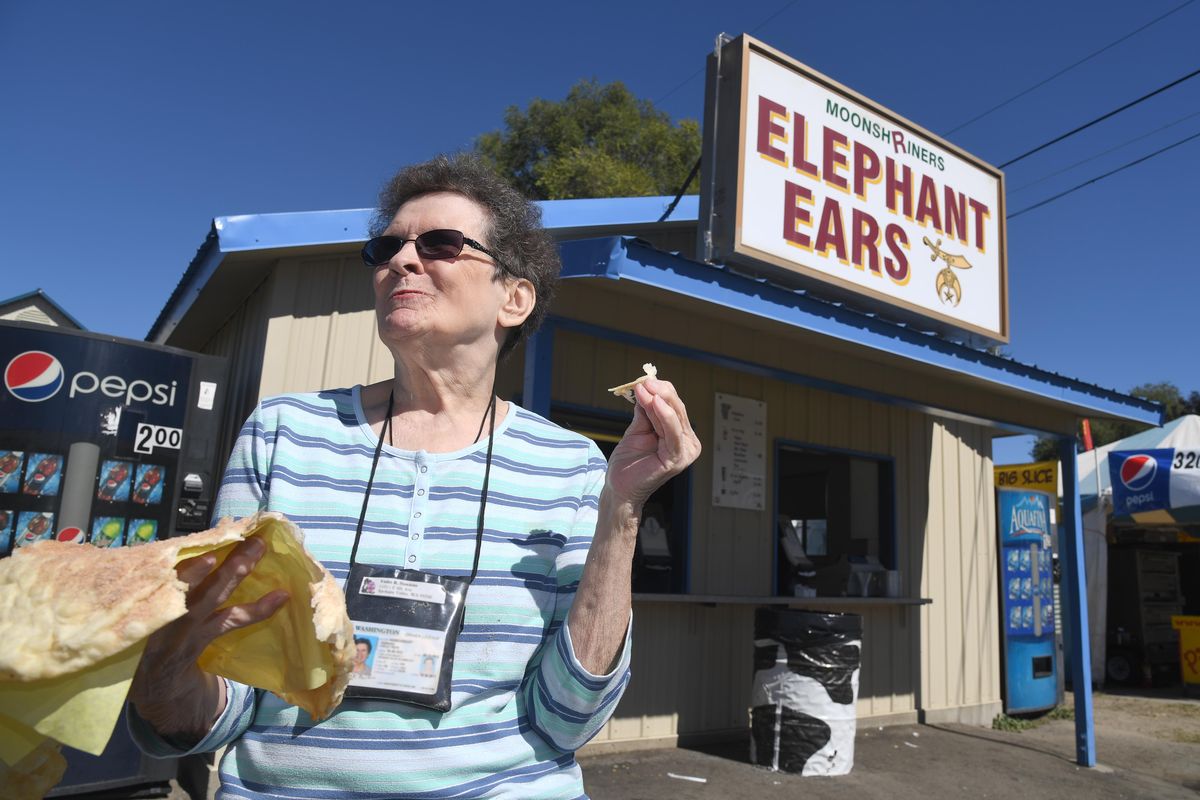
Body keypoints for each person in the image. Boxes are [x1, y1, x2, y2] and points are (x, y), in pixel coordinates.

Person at [128, 153, 701, 798]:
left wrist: (622, 510)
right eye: (386, 247)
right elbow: (222, 702)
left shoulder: (568, 463)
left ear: (513, 298)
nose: (401, 260)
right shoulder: (283, 432)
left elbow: (567, 720)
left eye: (441, 244)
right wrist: (162, 670)